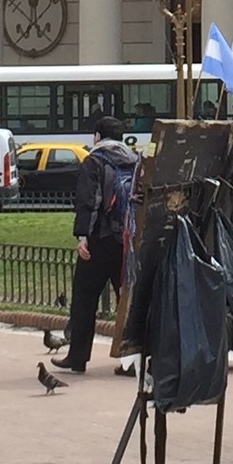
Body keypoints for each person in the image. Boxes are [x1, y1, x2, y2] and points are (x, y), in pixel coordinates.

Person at [51, 117, 140, 376]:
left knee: (84, 298)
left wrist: (82, 236)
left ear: (98, 136)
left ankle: (77, 358)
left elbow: (89, 201)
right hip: (126, 239)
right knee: (127, 301)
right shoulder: (134, 161)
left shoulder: (94, 160)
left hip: (99, 239)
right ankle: (133, 361)